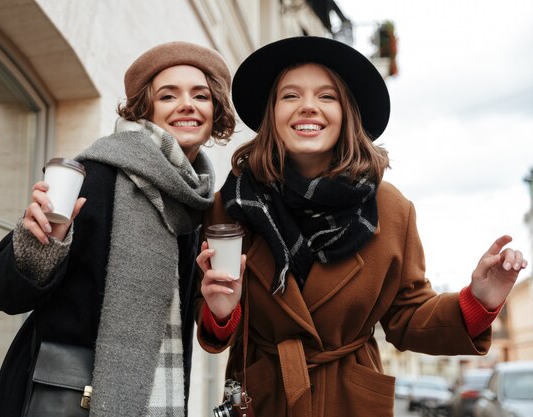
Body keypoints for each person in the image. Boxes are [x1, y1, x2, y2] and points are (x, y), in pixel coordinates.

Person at [194, 36, 528, 417]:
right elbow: (214, 327)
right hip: (262, 397)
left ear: (346, 114)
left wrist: (480, 300)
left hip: (351, 400)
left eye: (326, 96)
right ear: (271, 114)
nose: (307, 107)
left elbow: (407, 317)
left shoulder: (391, 208)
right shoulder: (230, 205)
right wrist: (221, 313)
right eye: (290, 96)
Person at [0, 41, 235, 417]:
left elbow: (197, 319)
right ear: (145, 109)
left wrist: (221, 311)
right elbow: (1, 292)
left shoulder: (197, 203)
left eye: (201, 95)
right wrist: (44, 243)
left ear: (215, 111)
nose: (188, 104)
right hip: (62, 401)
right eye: (169, 95)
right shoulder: (97, 176)